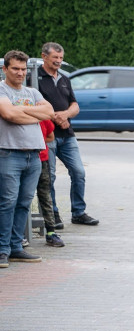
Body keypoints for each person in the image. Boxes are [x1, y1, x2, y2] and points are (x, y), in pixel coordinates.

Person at [0, 49, 53, 269]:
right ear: (5, 69)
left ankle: (16, 248)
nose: (21, 73)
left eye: (23, 69)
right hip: (9, 153)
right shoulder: (1, 90)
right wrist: (32, 113)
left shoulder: (32, 92)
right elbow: (9, 115)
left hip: (34, 155)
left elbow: (49, 112)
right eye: (15, 68)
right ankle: (2, 250)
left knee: (24, 203)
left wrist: (21, 110)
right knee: (7, 203)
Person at [36, 42, 98, 226]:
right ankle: (53, 215)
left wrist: (66, 115)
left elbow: (75, 105)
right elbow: (36, 106)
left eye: (61, 58)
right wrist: (55, 117)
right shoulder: (35, 78)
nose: (58, 61)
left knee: (79, 172)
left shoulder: (64, 78)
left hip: (67, 134)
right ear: (44, 56)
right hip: (48, 135)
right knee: (51, 176)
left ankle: (78, 212)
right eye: (55, 58)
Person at [37, 118, 63, 247]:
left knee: (45, 196)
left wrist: (37, 144)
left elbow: (50, 137)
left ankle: (51, 232)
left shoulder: (43, 117)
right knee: (21, 198)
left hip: (42, 160)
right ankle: (19, 236)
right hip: (22, 160)